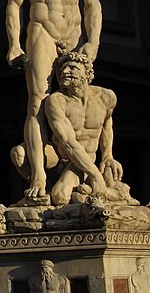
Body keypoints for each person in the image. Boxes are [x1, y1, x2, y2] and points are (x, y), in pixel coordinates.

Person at [6, 0, 102, 200]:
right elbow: (14, 4)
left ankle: (77, 168)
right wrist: (13, 45)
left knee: (78, 100)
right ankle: (38, 176)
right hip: (42, 30)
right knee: (37, 103)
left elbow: (92, 5)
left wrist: (93, 40)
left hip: (73, 33)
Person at [11, 50, 127, 206]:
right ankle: (45, 193)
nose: (65, 72)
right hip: (61, 154)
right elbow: (67, 142)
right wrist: (95, 175)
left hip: (85, 157)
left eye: (72, 68)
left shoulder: (106, 97)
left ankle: (102, 193)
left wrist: (107, 156)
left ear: (87, 73)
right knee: (19, 153)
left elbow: (106, 123)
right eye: (62, 69)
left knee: (61, 197)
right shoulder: (56, 101)